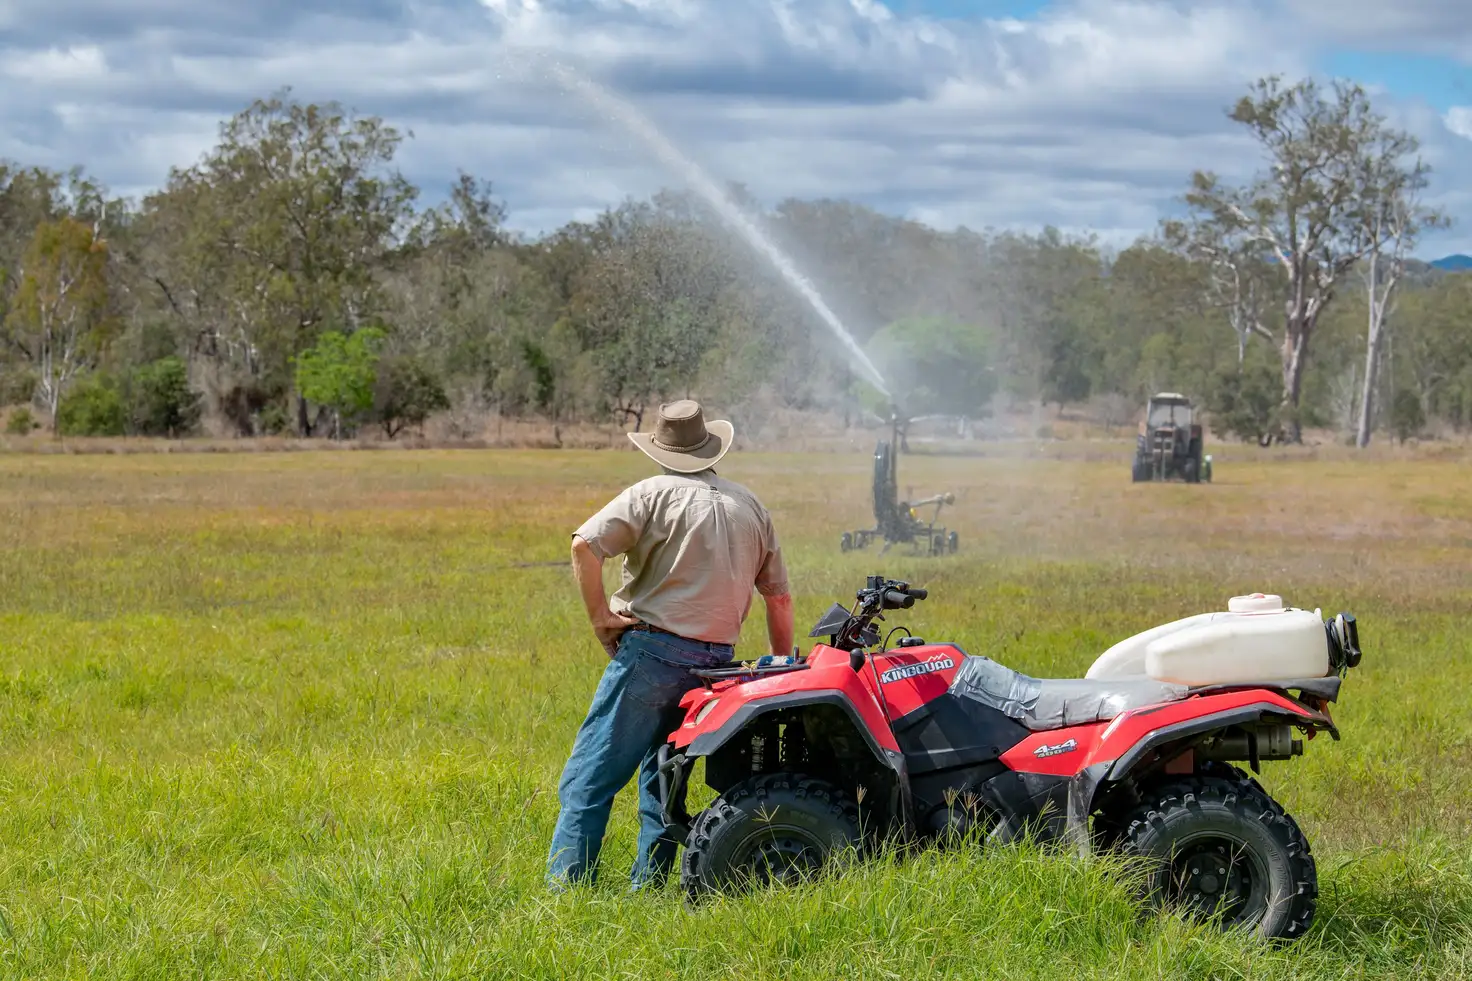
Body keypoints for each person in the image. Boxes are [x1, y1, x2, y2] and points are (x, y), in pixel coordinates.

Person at [545, 399, 794, 890]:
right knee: (662, 783)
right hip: (718, 668)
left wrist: (600, 617)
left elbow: (583, 545)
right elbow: (779, 599)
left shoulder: (651, 493)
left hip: (653, 656)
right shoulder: (750, 505)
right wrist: (781, 664)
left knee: (588, 780)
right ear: (710, 447)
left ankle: (568, 893)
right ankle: (651, 889)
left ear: (662, 451)